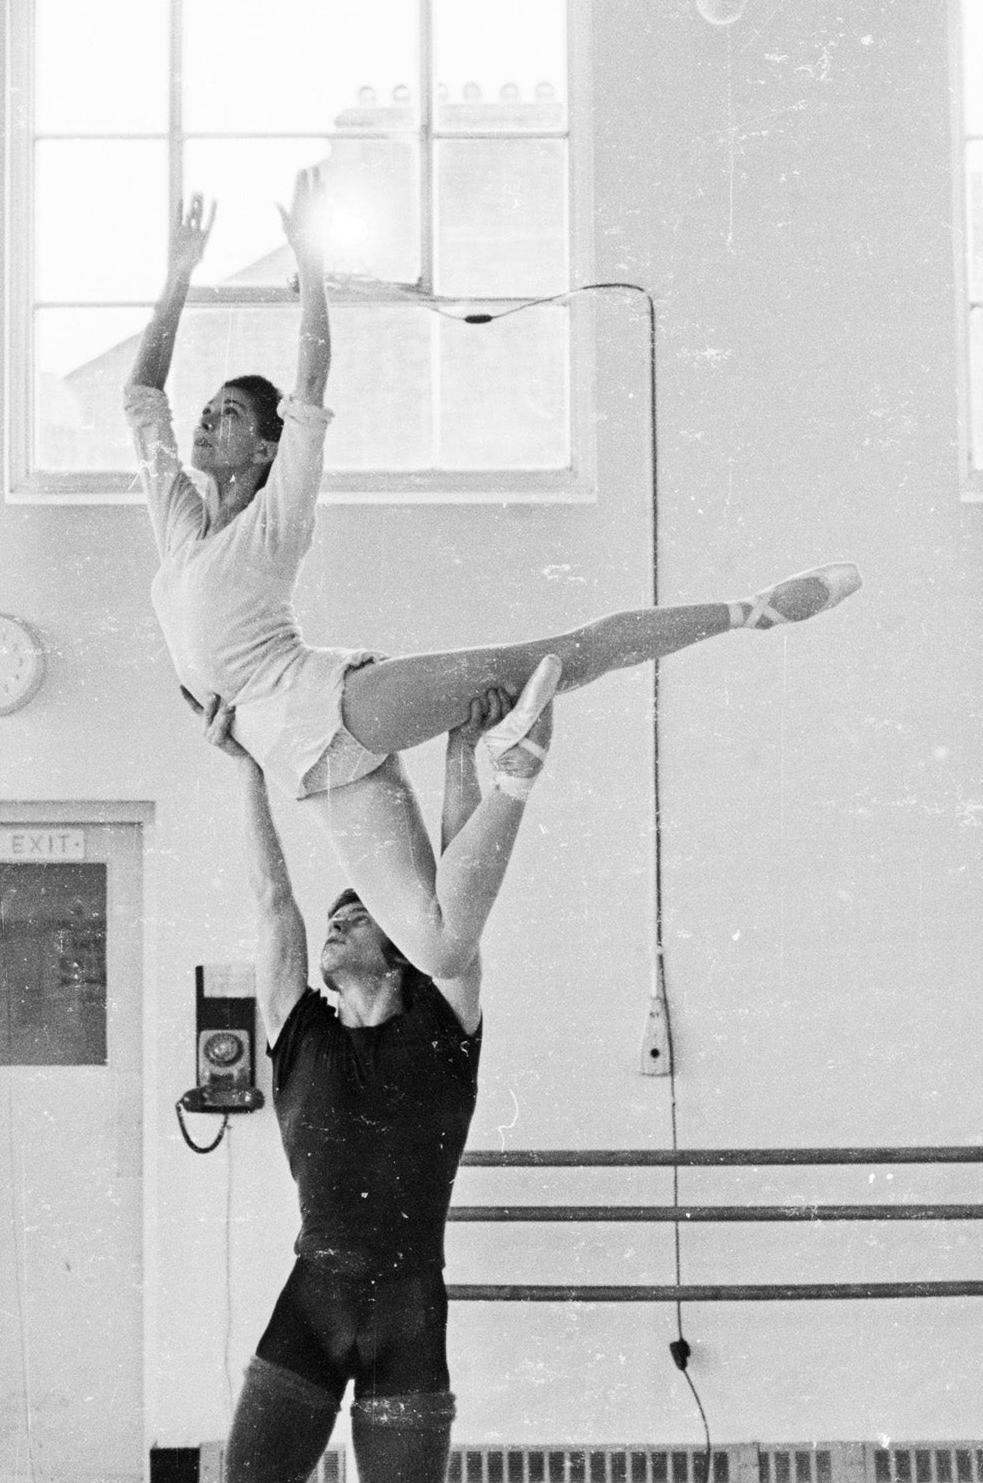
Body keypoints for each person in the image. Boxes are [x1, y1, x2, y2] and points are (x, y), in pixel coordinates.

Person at [124, 169, 861, 982]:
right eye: (209, 409)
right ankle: (484, 760)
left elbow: (309, 390)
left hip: (332, 706)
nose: (205, 418)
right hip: (302, 767)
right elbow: (142, 395)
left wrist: (312, 276)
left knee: (562, 653)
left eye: (228, 413)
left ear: (265, 450)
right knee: (440, 950)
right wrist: (177, 278)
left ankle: (750, 611)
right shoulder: (182, 530)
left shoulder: (274, 519)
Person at [94, 682, 547, 1483]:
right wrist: (244, 767)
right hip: (309, 1310)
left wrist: (460, 758)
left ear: (397, 942)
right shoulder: (294, 1022)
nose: (339, 919)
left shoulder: (447, 1014)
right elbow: (268, 897)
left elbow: (452, 897)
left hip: (407, 1320)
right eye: (338, 911)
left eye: (357, 912)